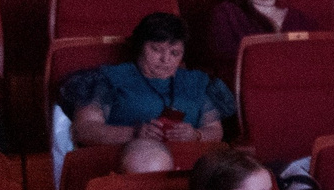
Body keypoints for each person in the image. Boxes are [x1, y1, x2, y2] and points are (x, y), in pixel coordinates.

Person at [64, 12, 232, 147]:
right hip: (127, 160)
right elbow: (85, 130)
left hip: (189, 161)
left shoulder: (196, 82)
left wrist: (196, 135)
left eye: (175, 53)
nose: (165, 60)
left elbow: (214, 130)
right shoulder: (109, 78)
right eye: (156, 49)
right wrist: (133, 133)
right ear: (139, 46)